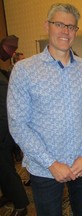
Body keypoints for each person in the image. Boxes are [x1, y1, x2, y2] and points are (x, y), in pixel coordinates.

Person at [7, 3, 82, 216]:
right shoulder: (24, 71)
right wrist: (51, 163)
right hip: (44, 168)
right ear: (47, 26)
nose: (66, 31)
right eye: (59, 24)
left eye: (71, 26)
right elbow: (18, 124)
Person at [0, 69, 29, 216]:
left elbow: (5, 112)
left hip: (3, 133)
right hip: (5, 132)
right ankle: (9, 195)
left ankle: (21, 204)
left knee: (6, 170)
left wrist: (4, 136)